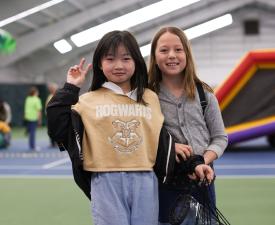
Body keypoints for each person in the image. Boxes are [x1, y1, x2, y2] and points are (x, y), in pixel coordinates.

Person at [47, 30, 214, 225]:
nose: (119, 66)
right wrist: (70, 88)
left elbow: (160, 136)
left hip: (146, 180)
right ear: (100, 64)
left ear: (136, 62)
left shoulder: (150, 98)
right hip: (105, 180)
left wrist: (188, 159)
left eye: (126, 59)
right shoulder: (87, 101)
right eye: (110, 59)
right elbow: (57, 127)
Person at [148, 27, 228, 224]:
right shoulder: (146, 97)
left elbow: (220, 138)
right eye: (164, 50)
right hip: (165, 185)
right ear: (154, 56)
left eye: (178, 49)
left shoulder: (205, 95)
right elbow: (142, 136)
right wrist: (168, 148)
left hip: (202, 183)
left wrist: (203, 161)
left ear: (187, 53)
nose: (172, 56)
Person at [24, 86, 42, 151]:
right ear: (35, 92)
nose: (38, 93)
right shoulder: (37, 99)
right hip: (33, 118)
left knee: (31, 131)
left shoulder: (28, 98)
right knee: (32, 132)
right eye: (37, 92)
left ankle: (31, 144)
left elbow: (26, 108)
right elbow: (39, 111)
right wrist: (39, 120)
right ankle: (33, 146)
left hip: (27, 117)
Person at [45, 82, 58, 148]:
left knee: (56, 130)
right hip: (50, 116)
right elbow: (47, 106)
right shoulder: (49, 96)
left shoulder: (58, 96)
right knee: (50, 130)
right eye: (51, 88)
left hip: (56, 116)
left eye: (52, 88)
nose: (51, 89)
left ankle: (56, 143)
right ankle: (52, 143)